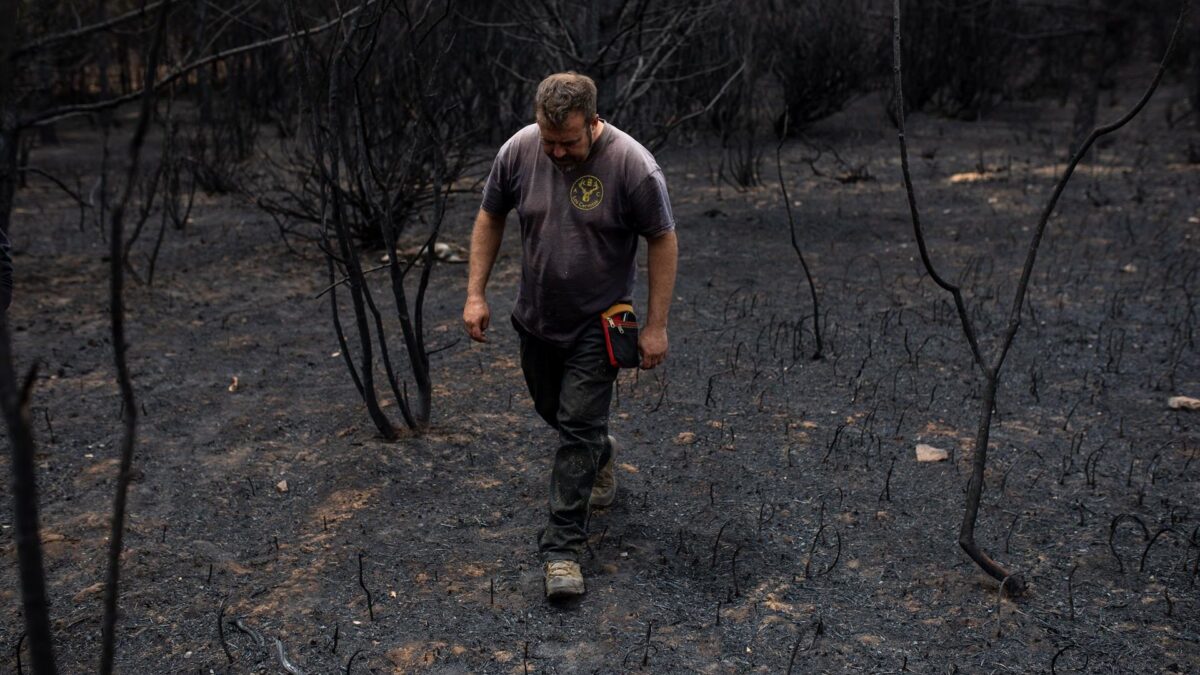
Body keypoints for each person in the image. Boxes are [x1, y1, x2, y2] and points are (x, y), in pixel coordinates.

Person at [463, 72, 678, 600]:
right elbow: (490, 216)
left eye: (569, 142)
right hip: (536, 318)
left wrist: (655, 325)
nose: (557, 152)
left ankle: (562, 550)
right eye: (549, 139)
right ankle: (599, 452)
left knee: (576, 427)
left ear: (594, 122)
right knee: (554, 411)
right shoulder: (519, 149)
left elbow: (663, 240)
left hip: (598, 323)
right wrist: (475, 293)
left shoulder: (633, 165)